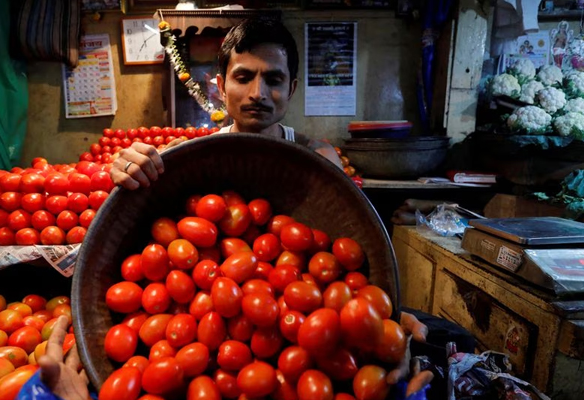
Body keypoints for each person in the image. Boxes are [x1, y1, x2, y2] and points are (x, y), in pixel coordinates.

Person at [40, 18, 434, 400]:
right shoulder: (189, 159)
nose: (258, 92)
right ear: (220, 86)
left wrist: (383, 326)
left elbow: (350, 268)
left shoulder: (319, 159)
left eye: (274, 79)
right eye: (244, 77)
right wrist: (128, 168)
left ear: (292, 88)